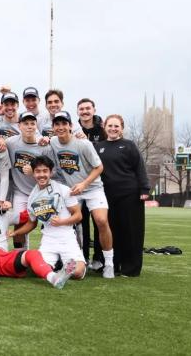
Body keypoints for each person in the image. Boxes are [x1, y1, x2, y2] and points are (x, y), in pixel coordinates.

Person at [45, 111, 115, 278]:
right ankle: (74, 260)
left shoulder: (83, 144)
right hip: (72, 190)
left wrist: (84, 184)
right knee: (70, 224)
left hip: (92, 187)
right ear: (53, 127)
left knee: (101, 220)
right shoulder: (53, 143)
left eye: (64, 123)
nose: (61, 127)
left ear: (70, 125)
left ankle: (109, 263)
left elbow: (99, 167)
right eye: (57, 124)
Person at [0, 186, 75, 288]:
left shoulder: (3, 216)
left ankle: (54, 278)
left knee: (32, 253)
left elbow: (26, 216)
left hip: (3, 257)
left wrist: (44, 205)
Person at [95, 114, 150, 277]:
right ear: (105, 127)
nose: (113, 129)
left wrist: (144, 189)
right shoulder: (98, 147)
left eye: (116, 126)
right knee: (112, 231)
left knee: (132, 231)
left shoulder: (129, 145)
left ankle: (131, 268)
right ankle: (114, 265)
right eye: (110, 126)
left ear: (122, 128)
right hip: (107, 195)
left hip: (130, 195)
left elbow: (139, 167)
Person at [19, 156, 87, 283]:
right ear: (33, 173)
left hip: (67, 238)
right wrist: (15, 233)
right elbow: (32, 223)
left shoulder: (64, 190)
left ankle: (67, 270)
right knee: (37, 271)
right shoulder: (32, 198)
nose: (42, 175)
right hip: (48, 240)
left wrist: (62, 222)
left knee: (77, 272)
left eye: (45, 171)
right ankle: (56, 273)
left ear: (51, 172)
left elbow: (78, 216)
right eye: (38, 171)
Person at [5, 111, 48, 248]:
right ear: (19, 126)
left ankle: (51, 255)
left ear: (36, 125)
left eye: (32, 123)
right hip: (20, 191)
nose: (29, 126)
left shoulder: (44, 145)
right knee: (19, 224)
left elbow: (53, 172)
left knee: (50, 224)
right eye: (26, 123)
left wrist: (35, 172)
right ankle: (20, 256)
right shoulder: (11, 142)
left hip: (41, 191)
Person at [74, 97, 106, 270]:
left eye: (88, 108)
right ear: (77, 112)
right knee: (81, 222)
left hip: (97, 183)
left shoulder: (103, 131)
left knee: (100, 221)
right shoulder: (73, 129)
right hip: (79, 183)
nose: (85, 111)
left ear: (94, 110)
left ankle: (99, 258)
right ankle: (83, 257)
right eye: (81, 109)